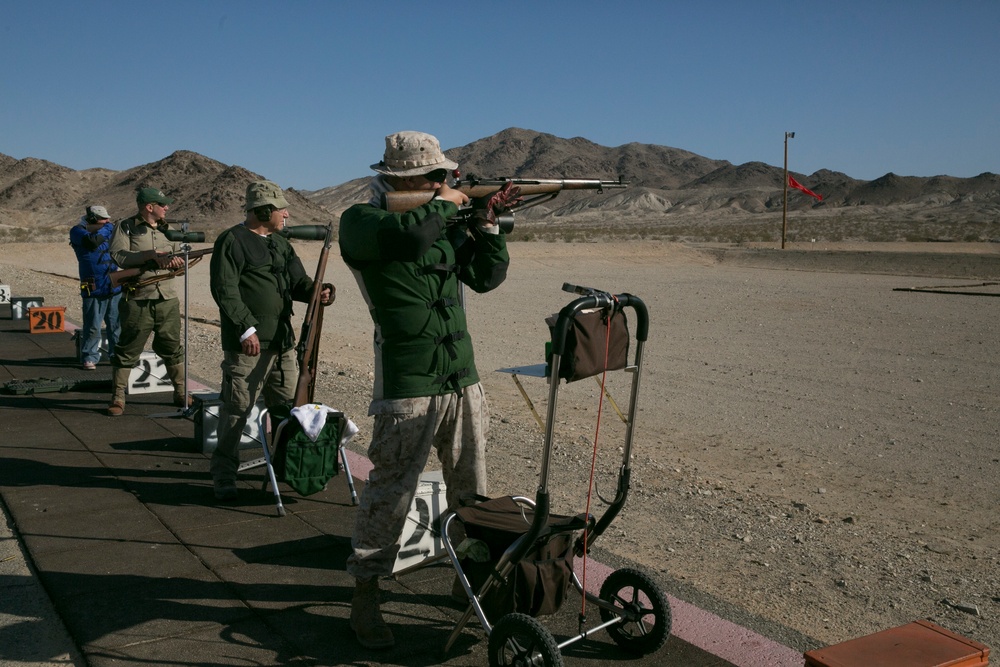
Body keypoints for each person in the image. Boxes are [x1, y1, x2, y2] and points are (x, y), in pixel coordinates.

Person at [338, 131, 510, 649]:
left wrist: (487, 224)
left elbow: (486, 277)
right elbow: (410, 237)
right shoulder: (362, 222)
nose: (447, 181)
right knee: (390, 494)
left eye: (448, 177)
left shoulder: (439, 217)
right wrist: (445, 202)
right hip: (408, 384)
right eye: (437, 176)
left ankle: (470, 583)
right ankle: (365, 594)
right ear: (404, 179)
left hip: (462, 377)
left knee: (473, 493)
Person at [208, 180, 334, 502]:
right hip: (248, 347)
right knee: (236, 412)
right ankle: (224, 475)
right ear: (264, 211)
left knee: (292, 410)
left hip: (284, 345)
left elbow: (299, 283)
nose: (287, 214)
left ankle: (285, 467)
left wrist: (319, 292)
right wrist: (245, 328)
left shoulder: (281, 244)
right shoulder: (231, 241)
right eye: (281, 209)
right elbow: (225, 290)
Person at [106, 187, 189, 417]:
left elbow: (179, 260)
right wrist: (148, 255)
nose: (167, 207)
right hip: (138, 298)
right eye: (162, 204)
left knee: (172, 347)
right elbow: (119, 255)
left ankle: (181, 393)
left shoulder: (169, 230)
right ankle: (118, 397)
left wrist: (177, 264)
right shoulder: (126, 226)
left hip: (167, 299)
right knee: (128, 348)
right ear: (149, 207)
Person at [69, 205, 122, 370]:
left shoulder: (106, 229)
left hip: (113, 285)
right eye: (103, 219)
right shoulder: (77, 231)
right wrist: (109, 228)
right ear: (92, 220)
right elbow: (92, 242)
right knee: (92, 325)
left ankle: (117, 355)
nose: (107, 221)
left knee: (116, 325)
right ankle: (89, 356)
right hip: (93, 286)